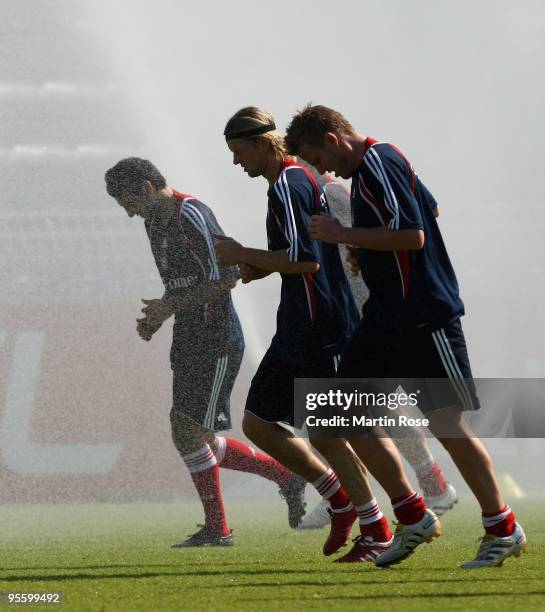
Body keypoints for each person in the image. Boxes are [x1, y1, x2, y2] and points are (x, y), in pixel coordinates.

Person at [285, 105, 527, 568]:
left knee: (446, 423)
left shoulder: (377, 163)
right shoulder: (380, 163)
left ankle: (502, 527)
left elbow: (413, 234)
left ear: (334, 139)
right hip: (385, 318)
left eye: (322, 158)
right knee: (333, 412)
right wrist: (366, 248)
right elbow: (429, 206)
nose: (325, 171)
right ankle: (413, 514)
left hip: (423, 315)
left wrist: (344, 234)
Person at [104, 157, 308, 547]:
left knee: (188, 430)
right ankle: (286, 476)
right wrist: (160, 316)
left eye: (128, 202)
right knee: (194, 434)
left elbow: (229, 278)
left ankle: (220, 528)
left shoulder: (192, 213)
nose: (129, 214)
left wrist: (167, 308)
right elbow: (183, 284)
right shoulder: (154, 221)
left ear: (147, 188)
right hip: (189, 335)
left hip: (216, 338)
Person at [215, 107, 363, 557]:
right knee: (258, 422)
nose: (237, 162)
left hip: (320, 325)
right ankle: (339, 498)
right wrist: (258, 266)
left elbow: (306, 262)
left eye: (240, 152)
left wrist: (244, 251)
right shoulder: (289, 181)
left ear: (262, 143)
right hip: (298, 324)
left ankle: (382, 519)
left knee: (332, 432)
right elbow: (295, 256)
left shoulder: (289, 183)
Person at [298, 166, 456, 530]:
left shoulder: (331, 193)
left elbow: (366, 241)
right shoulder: (311, 195)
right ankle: (431, 484)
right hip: (343, 310)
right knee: (368, 409)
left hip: (357, 309)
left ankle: (352, 496)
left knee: (347, 410)